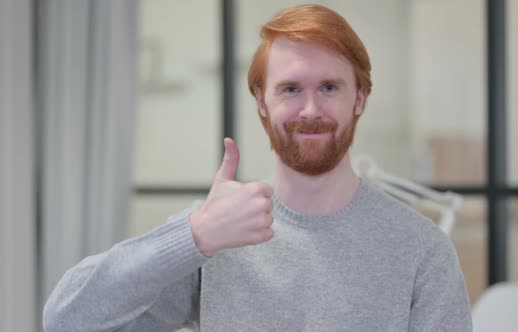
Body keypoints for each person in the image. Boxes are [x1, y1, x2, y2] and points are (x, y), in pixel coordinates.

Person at [43, 4, 472, 331]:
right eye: (289, 88)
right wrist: (193, 236)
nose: (310, 109)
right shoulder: (218, 232)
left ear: (359, 98)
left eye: (329, 87)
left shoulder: (422, 251)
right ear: (262, 102)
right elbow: (66, 317)